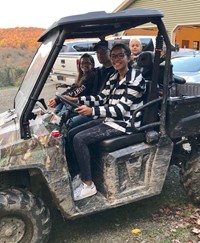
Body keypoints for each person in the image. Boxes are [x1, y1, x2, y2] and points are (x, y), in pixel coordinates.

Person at [65, 43, 146, 201]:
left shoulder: (135, 79)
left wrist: (92, 111)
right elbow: (101, 98)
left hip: (125, 124)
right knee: (72, 132)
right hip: (111, 119)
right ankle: (81, 174)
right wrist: (78, 99)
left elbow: (121, 109)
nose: (116, 59)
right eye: (113, 56)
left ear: (129, 58)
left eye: (120, 55)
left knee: (79, 139)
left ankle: (88, 185)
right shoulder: (114, 77)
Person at [67, 40, 115, 129]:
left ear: (110, 53)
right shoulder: (98, 71)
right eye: (97, 52)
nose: (100, 55)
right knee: (67, 112)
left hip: (103, 111)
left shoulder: (114, 73)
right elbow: (78, 85)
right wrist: (66, 96)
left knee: (71, 123)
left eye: (103, 52)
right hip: (93, 104)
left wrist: (78, 100)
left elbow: (103, 99)